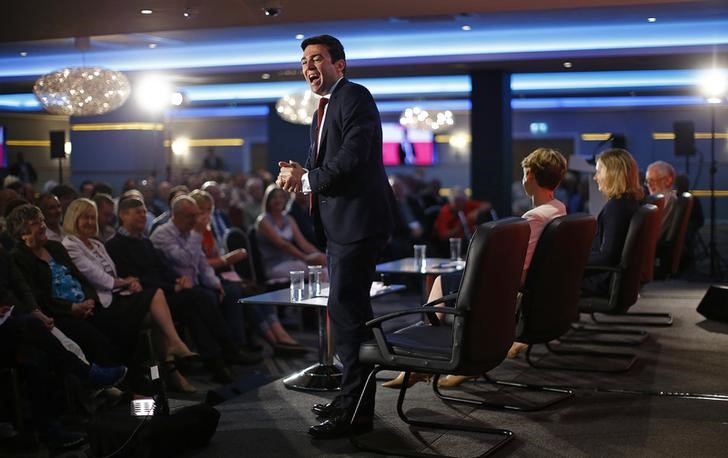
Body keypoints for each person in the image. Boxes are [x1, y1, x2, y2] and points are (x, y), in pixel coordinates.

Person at [277, 34, 395, 438]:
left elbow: (353, 156)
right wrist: (300, 173)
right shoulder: (321, 110)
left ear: (339, 65)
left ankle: (355, 413)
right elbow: (326, 164)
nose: (309, 66)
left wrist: (308, 179)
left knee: (348, 319)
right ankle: (352, 400)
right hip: (340, 226)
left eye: (318, 59)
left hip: (357, 224)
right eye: (304, 61)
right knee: (350, 317)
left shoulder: (354, 96)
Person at [383, 148, 569, 388]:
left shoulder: (534, 218)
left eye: (524, 174)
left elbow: (520, 270)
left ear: (530, 175)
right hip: (539, 292)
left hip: (515, 289)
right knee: (458, 278)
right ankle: (435, 364)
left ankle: (425, 363)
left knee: (442, 281)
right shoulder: (558, 209)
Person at [106, 196, 258, 384]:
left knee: (199, 303)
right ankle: (226, 354)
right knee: (200, 298)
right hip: (145, 299)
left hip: (164, 292)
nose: (143, 216)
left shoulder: (144, 241)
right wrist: (174, 285)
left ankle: (218, 364)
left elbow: (163, 268)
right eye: (138, 212)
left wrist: (178, 279)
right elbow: (137, 278)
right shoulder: (115, 245)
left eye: (144, 212)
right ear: (122, 215)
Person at [60, 198, 198, 392]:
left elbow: (115, 275)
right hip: (101, 305)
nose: (91, 222)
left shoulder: (97, 244)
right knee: (158, 297)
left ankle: (165, 372)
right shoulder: (71, 245)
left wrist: (129, 285)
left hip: (117, 296)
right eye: (85, 218)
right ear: (73, 218)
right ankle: (172, 356)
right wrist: (126, 282)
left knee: (158, 318)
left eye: (93, 217)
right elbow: (99, 278)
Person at [582, 148, 643, 296]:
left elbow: (607, 257)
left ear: (612, 173)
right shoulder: (629, 202)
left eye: (599, 171)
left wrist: (573, 260)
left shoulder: (616, 207)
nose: (595, 177)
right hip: (610, 278)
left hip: (601, 281)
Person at [255, 184, 327, 281]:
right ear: (268, 200)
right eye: (274, 197)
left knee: (325, 269)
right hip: (274, 266)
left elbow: (303, 243)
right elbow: (283, 244)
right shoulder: (263, 221)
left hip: (292, 262)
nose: (278, 200)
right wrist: (306, 258)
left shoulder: (288, 219)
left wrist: (321, 256)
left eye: (281, 197)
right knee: (319, 271)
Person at [645, 160, 677, 240]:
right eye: (648, 181)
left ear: (667, 181)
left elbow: (654, 234)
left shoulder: (666, 199)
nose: (649, 185)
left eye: (652, 180)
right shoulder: (667, 199)